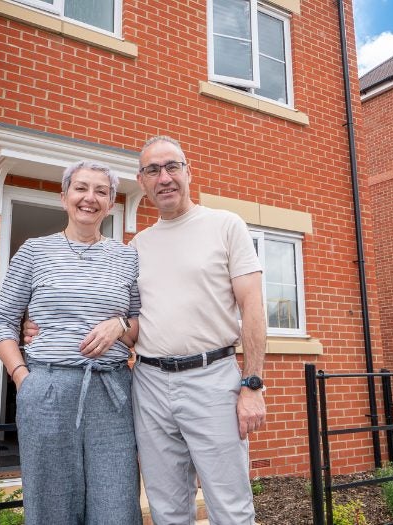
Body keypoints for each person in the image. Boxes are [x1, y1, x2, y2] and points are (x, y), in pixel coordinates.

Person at [0, 160, 142, 525]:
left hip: (112, 391)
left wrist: (118, 325)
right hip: (48, 388)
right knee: (51, 506)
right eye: (81, 188)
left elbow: (139, 325)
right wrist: (23, 378)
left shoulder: (128, 256)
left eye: (101, 191)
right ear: (64, 197)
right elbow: (2, 323)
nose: (90, 198)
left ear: (110, 203)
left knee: (117, 505)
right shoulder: (33, 252)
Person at [129, 135, 267, 525]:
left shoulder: (225, 226)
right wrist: (42, 325)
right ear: (142, 181)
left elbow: (253, 307)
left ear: (189, 172)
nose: (164, 177)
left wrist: (252, 383)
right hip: (150, 384)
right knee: (166, 509)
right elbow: (129, 321)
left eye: (173, 166)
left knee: (231, 508)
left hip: (213, 380)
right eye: (153, 170)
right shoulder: (137, 245)